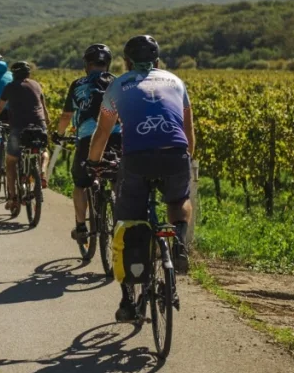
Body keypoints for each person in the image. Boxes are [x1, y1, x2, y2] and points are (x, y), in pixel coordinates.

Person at [86, 35, 195, 323]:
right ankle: (180, 241)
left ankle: (128, 302)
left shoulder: (118, 85)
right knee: (179, 199)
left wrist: (92, 163)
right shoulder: (176, 82)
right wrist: (187, 160)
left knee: (126, 224)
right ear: (158, 61)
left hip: (136, 158)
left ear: (127, 62)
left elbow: (102, 132)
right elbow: (188, 130)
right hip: (175, 152)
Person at [54, 44, 122, 241]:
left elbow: (67, 115)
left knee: (80, 183)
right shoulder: (117, 83)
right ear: (107, 64)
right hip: (116, 136)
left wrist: (59, 134)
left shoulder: (78, 84)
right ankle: (121, 218)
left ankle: (81, 226)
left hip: (88, 139)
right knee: (119, 178)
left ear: (86, 64)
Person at [0, 61, 49, 214]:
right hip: (39, 126)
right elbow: (44, 108)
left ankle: (13, 198)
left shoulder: (10, 87)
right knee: (44, 151)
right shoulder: (36, 85)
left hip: (19, 127)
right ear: (28, 73)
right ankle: (42, 173)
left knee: (11, 161)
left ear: (14, 74)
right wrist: (46, 122)